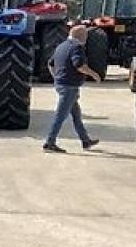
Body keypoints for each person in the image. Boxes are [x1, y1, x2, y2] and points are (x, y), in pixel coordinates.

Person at [43, 25, 101, 153]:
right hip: (69, 87)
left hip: (62, 85)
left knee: (76, 114)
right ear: (81, 36)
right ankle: (49, 142)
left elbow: (50, 64)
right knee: (60, 115)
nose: (86, 39)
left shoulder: (61, 46)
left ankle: (85, 140)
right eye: (86, 35)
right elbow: (79, 65)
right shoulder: (77, 47)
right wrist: (94, 74)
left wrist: (57, 78)